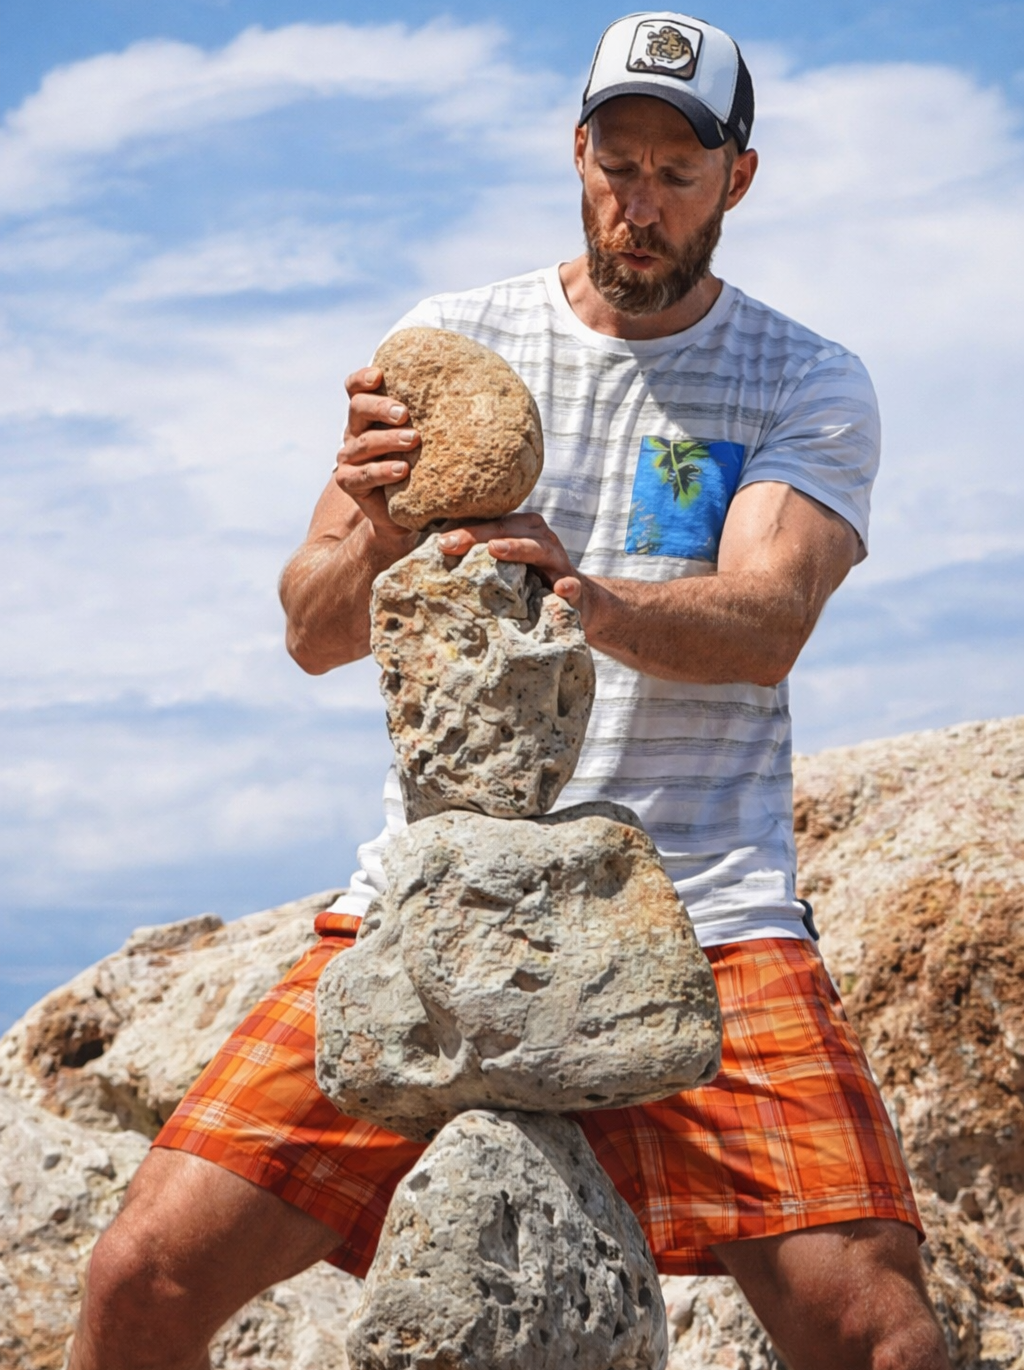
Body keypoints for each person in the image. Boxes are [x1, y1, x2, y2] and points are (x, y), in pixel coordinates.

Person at [69, 13, 951, 1370]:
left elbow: (769, 621)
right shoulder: (449, 339)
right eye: (616, 161)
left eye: (675, 170)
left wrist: (578, 598)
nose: (637, 201)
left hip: (705, 901)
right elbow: (311, 631)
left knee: (879, 1334)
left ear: (738, 180)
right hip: (434, 898)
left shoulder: (803, 378)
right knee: (139, 1281)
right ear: (576, 149)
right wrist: (372, 519)